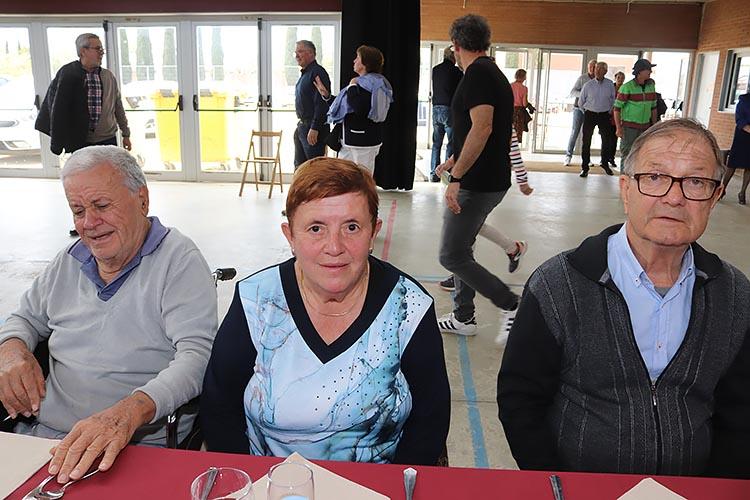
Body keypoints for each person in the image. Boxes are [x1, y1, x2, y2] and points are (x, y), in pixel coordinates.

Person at [498, 118, 750, 478]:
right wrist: (559, 483)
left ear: (715, 197)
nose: (674, 197)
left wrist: (711, 490)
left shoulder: (735, 294)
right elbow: (520, 400)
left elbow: (740, 412)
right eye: (655, 177)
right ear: (626, 189)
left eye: (696, 182)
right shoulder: (558, 285)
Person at [200, 157, 450, 465]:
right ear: (290, 236)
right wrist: (251, 480)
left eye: (352, 227)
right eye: (316, 228)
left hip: (377, 484)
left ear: (373, 233)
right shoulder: (257, 300)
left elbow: (430, 420)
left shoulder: (408, 306)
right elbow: (219, 407)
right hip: (270, 481)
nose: (334, 246)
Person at [0, 146, 217, 484]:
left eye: (101, 206)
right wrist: (12, 350)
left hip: (131, 448)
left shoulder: (179, 261)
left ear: (142, 200)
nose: (89, 223)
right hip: (45, 438)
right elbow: (23, 319)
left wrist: (129, 411)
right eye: (78, 210)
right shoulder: (69, 260)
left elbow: (198, 357)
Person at [434, 14, 518, 340]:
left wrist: (456, 177)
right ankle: (463, 317)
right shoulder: (489, 72)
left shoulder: (479, 75)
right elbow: (477, 130)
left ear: (456, 45)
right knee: (462, 250)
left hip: (478, 182)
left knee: (451, 255)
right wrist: (453, 159)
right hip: (486, 177)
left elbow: (482, 129)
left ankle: (511, 304)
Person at [35, 33, 131, 156]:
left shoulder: (108, 76)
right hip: (80, 141)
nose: (101, 52)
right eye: (97, 49)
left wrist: (126, 134)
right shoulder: (68, 74)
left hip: (107, 140)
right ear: (83, 51)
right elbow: (57, 109)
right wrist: (57, 142)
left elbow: (118, 107)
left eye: (102, 49)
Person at [315, 45, 393, 174]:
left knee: (363, 178)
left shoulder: (372, 84)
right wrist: (327, 95)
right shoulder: (363, 82)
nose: (354, 60)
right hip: (349, 141)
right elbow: (347, 107)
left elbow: (359, 108)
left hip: (363, 142)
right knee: (344, 177)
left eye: (358, 57)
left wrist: (352, 85)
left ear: (365, 63)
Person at [293, 40, 331, 169]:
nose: (296, 55)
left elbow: (322, 103)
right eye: (295, 52)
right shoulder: (306, 73)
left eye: (300, 51)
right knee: (300, 168)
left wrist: (314, 127)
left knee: (314, 169)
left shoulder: (317, 73)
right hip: (303, 127)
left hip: (313, 129)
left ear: (310, 53)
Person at [430, 46, 463, 182]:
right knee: (451, 143)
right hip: (449, 109)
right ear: (453, 56)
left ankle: (434, 174)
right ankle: (446, 174)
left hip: (436, 108)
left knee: (436, 143)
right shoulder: (457, 72)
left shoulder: (435, 70)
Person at [614, 58, 658, 160]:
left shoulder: (651, 87)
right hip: (629, 128)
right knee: (627, 154)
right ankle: (625, 171)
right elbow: (617, 109)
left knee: (641, 154)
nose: (650, 71)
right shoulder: (627, 87)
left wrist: (654, 125)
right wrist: (618, 128)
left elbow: (653, 107)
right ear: (640, 71)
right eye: (648, 69)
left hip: (645, 127)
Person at [578, 61, 615, 177]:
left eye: (600, 69)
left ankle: (605, 163)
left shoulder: (610, 84)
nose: (597, 71)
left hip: (604, 115)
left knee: (606, 140)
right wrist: (586, 111)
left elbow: (613, 100)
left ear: (605, 71)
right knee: (586, 141)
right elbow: (581, 102)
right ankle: (585, 167)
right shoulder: (588, 85)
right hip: (590, 114)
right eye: (596, 69)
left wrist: (609, 111)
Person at [564, 59, 596, 166]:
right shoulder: (582, 78)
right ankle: (568, 156)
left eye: (594, 67)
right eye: (590, 67)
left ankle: (586, 158)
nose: (592, 69)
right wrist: (583, 94)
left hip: (590, 110)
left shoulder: (598, 80)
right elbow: (572, 92)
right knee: (575, 132)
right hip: (578, 109)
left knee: (588, 134)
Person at [720, 89, 750, 204]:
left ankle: (742, 192)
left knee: (749, 166)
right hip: (742, 136)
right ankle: (722, 189)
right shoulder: (744, 100)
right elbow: (739, 119)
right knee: (732, 164)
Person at [511, 69, 533, 143]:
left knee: (509, 132)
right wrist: (530, 106)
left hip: (510, 111)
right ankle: (515, 148)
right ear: (524, 77)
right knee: (517, 133)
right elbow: (524, 103)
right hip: (519, 113)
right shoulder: (524, 89)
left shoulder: (510, 86)